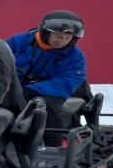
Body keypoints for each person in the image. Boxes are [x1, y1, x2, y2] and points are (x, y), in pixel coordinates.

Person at [5, 11, 86, 143]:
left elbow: (66, 81)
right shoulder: (18, 42)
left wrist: (32, 89)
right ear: (46, 32)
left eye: (67, 38)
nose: (63, 41)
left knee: (42, 107)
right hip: (11, 88)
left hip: (47, 93)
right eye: (59, 36)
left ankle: (53, 149)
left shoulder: (75, 56)